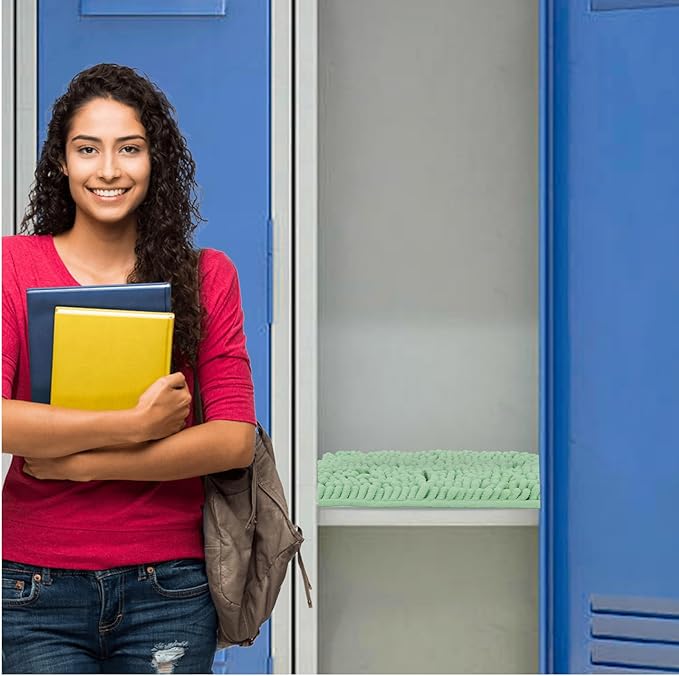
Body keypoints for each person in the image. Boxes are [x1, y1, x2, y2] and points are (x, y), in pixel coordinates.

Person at [2, 63, 257, 674]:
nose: (109, 170)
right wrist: (133, 423)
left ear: (155, 159)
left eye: (130, 149)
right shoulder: (12, 266)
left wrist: (88, 464)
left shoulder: (206, 275)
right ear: (61, 162)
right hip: (33, 584)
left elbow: (235, 439)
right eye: (87, 149)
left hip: (168, 586)